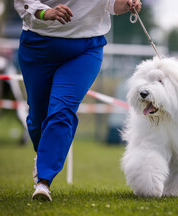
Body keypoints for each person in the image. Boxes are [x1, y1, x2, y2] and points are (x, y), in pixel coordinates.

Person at [14, 0, 142, 201]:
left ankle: (43, 182)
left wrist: (126, 4)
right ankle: (44, 155)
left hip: (86, 48)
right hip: (38, 45)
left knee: (61, 110)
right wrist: (45, 13)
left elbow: (109, 5)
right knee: (38, 119)